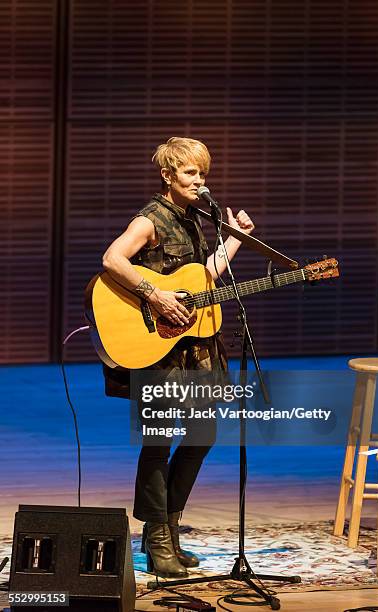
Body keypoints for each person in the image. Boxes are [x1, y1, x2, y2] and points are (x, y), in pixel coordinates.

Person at [102, 137, 254, 578]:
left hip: (196, 350)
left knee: (202, 435)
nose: (199, 181)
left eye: (203, 173)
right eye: (191, 173)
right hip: (158, 351)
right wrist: (155, 294)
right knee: (158, 441)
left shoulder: (194, 220)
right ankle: (158, 536)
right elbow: (112, 259)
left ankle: (166, 527)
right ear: (168, 176)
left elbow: (202, 278)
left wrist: (236, 240)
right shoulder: (149, 219)